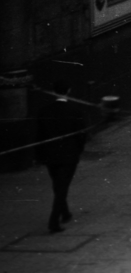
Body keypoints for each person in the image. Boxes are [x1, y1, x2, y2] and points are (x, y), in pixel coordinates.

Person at [35, 81, 88, 234]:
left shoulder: (44, 111)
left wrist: (40, 155)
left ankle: (65, 213)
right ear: (69, 91)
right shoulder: (75, 110)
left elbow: (39, 136)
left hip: (50, 156)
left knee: (58, 184)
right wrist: (78, 150)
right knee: (62, 187)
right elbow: (81, 135)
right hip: (69, 155)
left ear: (53, 91)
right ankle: (54, 221)